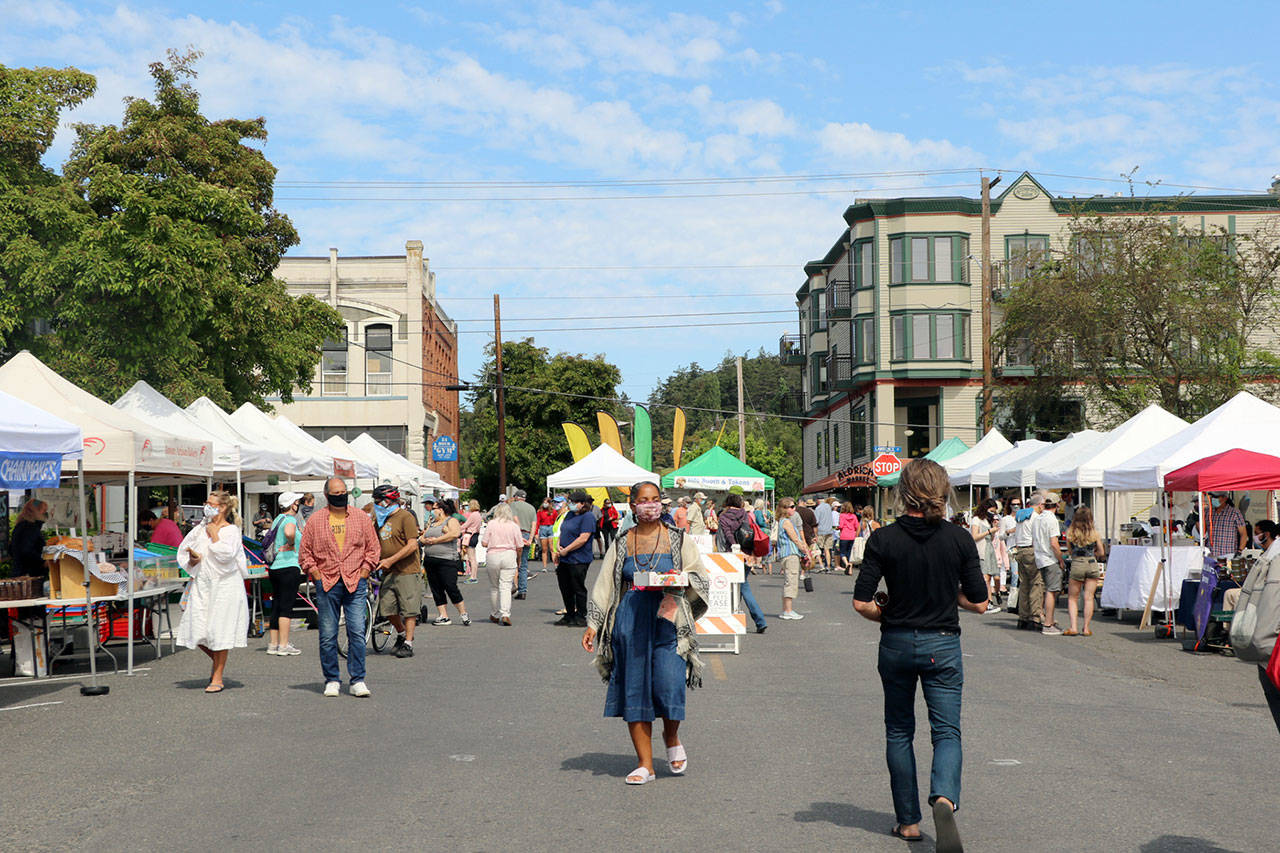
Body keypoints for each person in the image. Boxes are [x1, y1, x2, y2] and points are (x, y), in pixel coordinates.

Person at [852, 458, 988, 851]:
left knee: (899, 731)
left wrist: (886, 612)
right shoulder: (959, 538)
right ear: (943, 492)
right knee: (946, 731)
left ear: (902, 493)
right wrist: (951, 596)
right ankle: (944, 797)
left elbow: (861, 603)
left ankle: (908, 821)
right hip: (942, 642)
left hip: (895, 642)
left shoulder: (883, 538)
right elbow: (980, 602)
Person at [582, 481, 710, 785]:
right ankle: (645, 764)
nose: (650, 505)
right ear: (633, 504)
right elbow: (606, 584)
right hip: (631, 620)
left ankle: (671, 734)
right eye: (643, 500)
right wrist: (593, 624)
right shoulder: (623, 541)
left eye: (655, 500)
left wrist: (681, 580)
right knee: (635, 689)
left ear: (661, 503)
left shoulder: (679, 540)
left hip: (669, 620)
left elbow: (700, 576)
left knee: (669, 683)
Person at [300, 476, 381, 698]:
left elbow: (373, 548)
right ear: (327, 496)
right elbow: (305, 553)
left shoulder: (361, 518)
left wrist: (365, 571)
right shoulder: (315, 521)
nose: (340, 496)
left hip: (356, 580)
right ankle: (332, 679)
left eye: (343, 492)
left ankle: (357, 679)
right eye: (336, 494)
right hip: (327, 582)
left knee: (356, 630)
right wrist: (315, 573)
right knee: (327, 634)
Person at [175, 490, 250, 694]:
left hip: (225, 586)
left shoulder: (231, 531)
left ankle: (218, 675)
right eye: (206, 502)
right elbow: (184, 550)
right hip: (203, 584)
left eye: (210, 503)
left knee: (220, 629)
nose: (206, 506)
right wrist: (193, 559)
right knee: (197, 631)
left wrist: (214, 534)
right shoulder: (199, 529)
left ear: (222, 507)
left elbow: (226, 555)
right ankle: (218, 662)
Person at [367, 485, 422, 658]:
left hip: (407, 570)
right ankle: (401, 632)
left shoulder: (405, 517)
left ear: (388, 501)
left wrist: (391, 559)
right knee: (387, 608)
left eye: (378, 502)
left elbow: (412, 545)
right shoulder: (380, 520)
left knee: (409, 608)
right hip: (388, 571)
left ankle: (408, 643)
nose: (376, 505)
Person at [715, 493, 768, 633]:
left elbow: (727, 534)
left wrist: (734, 547)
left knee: (737, 587)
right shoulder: (744, 514)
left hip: (730, 555)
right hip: (746, 554)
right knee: (742, 585)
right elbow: (748, 533)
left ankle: (757, 619)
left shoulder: (724, 516)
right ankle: (752, 619)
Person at [266, 491, 306, 656]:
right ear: (293, 504)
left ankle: (273, 644)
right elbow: (290, 533)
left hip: (275, 567)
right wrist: (291, 543)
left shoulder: (277, 519)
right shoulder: (290, 519)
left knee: (277, 604)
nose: (299, 504)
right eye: (297, 501)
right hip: (289, 566)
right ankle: (284, 645)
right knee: (287, 606)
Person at [419, 498, 471, 626]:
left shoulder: (451, 520)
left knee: (450, 586)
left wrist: (435, 540)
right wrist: (424, 541)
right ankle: (443, 615)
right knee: (436, 588)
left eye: (434, 508)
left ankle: (463, 613)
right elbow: (422, 536)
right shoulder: (432, 523)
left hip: (447, 559)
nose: (432, 511)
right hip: (431, 559)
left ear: (441, 510)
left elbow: (455, 533)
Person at [555, 490, 598, 627]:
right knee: (565, 587)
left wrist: (567, 550)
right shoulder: (569, 514)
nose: (571, 504)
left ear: (582, 503)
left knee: (577, 587)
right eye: (570, 502)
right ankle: (569, 614)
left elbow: (583, 538)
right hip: (565, 558)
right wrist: (559, 546)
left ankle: (581, 615)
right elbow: (563, 531)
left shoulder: (588, 517)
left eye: (574, 502)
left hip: (579, 558)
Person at [481, 502, 526, 625]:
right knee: (506, 586)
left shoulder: (491, 524)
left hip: (493, 555)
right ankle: (505, 613)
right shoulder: (514, 526)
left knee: (494, 587)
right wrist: (519, 559)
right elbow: (520, 545)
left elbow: (484, 543)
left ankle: (495, 614)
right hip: (509, 554)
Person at [1063, 506, 1105, 637]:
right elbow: (1102, 552)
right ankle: (1086, 628)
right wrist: (1095, 554)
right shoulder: (1094, 533)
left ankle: (1073, 627)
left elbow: (1069, 550)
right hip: (1092, 563)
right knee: (1089, 598)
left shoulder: (1071, 532)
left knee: (1072, 598)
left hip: (1077, 563)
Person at [1033, 491, 1068, 635]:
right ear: (1057, 504)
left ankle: (1049, 620)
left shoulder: (1038, 518)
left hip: (1040, 557)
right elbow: (1054, 543)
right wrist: (1061, 559)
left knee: (1047, 590)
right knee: (1052, 591)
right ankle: (1048, 623)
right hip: (1049, 558)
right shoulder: (1052, 519)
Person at [1012, 493, 1044, 630]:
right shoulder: (1036, 517)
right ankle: (1035, 617)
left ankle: (1022, 617)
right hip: (1032, 550)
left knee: (1024, 585)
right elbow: (1038, 537)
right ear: (1040, 505)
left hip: (1020, 550)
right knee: (1036, 584)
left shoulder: (1020, 516)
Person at [776, 498, 811, 620]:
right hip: (790, 554)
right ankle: (788, 610)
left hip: (786, 554)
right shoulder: (786, 522)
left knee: (789, 580)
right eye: (791, 507)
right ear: (784, 508)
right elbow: (795, 539)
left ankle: (787, 609)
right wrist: (805, 551)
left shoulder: (783, 521)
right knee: (791, 581)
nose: (794, 509)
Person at [970, 498, 1002, 614]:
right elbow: (974, 536)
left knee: (990, 577)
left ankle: (989, 601)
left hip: (990, 549)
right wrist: (989, 531)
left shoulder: (987, 521)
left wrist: (993, 530)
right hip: (981, 550)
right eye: (991, 510)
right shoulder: (976, 519)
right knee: (985, 578)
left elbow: (992, 539)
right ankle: (986, 602)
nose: (993, 513)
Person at [11, 499, 50, 586]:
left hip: (21, 574)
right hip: (29, 577)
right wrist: (43, 561)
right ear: (35, 511)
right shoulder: (29, 527)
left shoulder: (21, 525)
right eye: (44, 511)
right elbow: (26, 550)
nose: (45, 514)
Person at [510, 489, 538, 598]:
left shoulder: (513, 505)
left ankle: (513, 585)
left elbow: (515, 519)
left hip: (516, 534)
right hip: (527, 535)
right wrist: (530, 539)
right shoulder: (531, 508)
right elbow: (534, 525)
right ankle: (523, 591)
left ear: (517, 497)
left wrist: (519, 536)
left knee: (512, 562)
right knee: (523, 563)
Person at [1207, 492, 1248, 560]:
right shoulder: (1208, 512)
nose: (1213, 499)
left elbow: (1244, 534)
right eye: (1213, 496)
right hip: (1211, 554)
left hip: (1228, 555)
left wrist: (1240, 551)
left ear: (1225, 498)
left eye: (1216, 497)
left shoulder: (1234, 513)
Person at [460, 499, 483, 583]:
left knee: (471, 558)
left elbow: (466, 524)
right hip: (475, 535)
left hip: (470, 535)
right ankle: (474, 576)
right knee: (473, 558)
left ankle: (473, 577)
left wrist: (457, 528)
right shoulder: (479, 515)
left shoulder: (473, 515)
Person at [536, 498, 558, 576]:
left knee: (552, 548)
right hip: (543, 528)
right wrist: (536, 532)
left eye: (546, 502)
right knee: (544, 549)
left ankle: (556, 565)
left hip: (551, 528)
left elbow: (556, 521)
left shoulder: (554, 512)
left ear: (549, 503)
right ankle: (544, 566)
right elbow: (537, 522)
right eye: (544, 502)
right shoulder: (540, 511)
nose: (545, 504)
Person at [838, 501, 860, 574]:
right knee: (850, 554)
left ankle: (847, 564)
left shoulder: (842, 515)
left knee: (842, 553)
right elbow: (857, 526)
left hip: (844, 535)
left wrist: (838, 528)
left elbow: (841, 526)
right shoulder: (854, 516)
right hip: (852, 536)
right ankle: (850, 570)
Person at [814, 496, 835, 572]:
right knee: (827, 550)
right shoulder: (829, 507)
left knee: (817, 549)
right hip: (829, 530)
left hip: (821, 531)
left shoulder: (818, 509)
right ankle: (828, 567)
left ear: (818, 501)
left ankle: (821, 565)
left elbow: (816, 521)